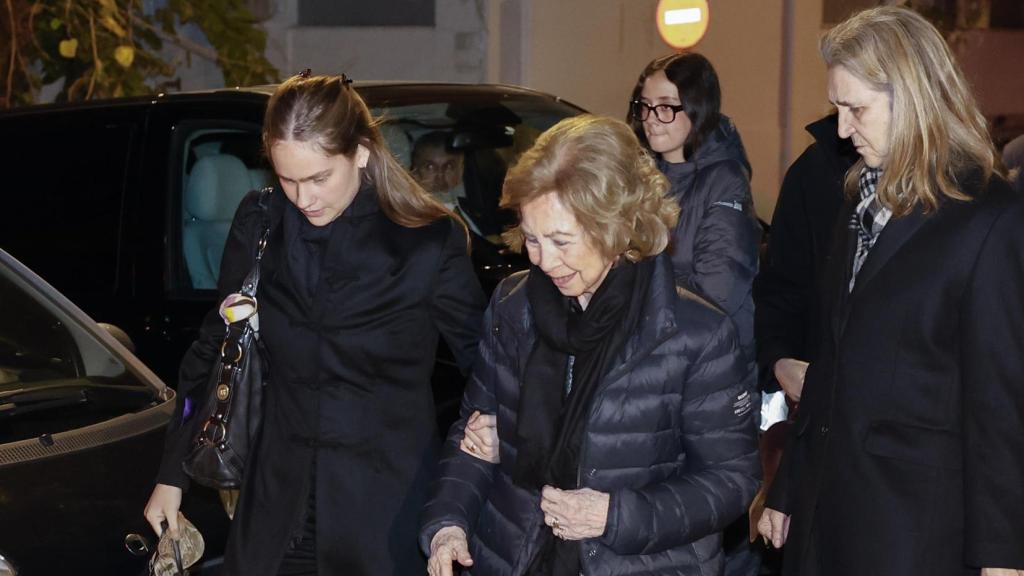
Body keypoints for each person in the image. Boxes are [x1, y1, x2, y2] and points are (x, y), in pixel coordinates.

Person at [144, 73, 487, 576]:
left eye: (319, 178)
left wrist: (486, 433)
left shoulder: (428, 242)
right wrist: (173, 472)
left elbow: (487, 360)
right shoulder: (260, 225)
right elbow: (215, 348)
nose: (304, 198)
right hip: (275, 509)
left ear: (362, 152)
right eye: (288, 179)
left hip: (383, 515)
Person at [420, 114, 760, 576]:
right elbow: (474, 433)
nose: (543, 260)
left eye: (562, 241)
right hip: (518, 556)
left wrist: (615, 515)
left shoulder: (695, 334)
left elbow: (731, 481)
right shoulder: (513, 306)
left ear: (618, 227)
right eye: (533, 239)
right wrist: (448, 524)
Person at [757, 7, 1024, 576]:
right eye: (837, 108)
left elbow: (1000, 405)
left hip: (914, 530)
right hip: (825, 515)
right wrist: (790, 484)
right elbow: (831, 359)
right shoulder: (858, 201)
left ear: (915, 97)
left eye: (856, 109)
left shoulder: (991, 218)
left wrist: (1003, 557)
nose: (843, 129)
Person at [629, 51, 763, 576]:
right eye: (645, 106)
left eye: (668, 107)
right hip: (652, 364)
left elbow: (718, 290)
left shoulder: (723, 180)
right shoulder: (641, 176)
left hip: (711, 373)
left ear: (698, 109)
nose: (652, 119)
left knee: (707, 511)